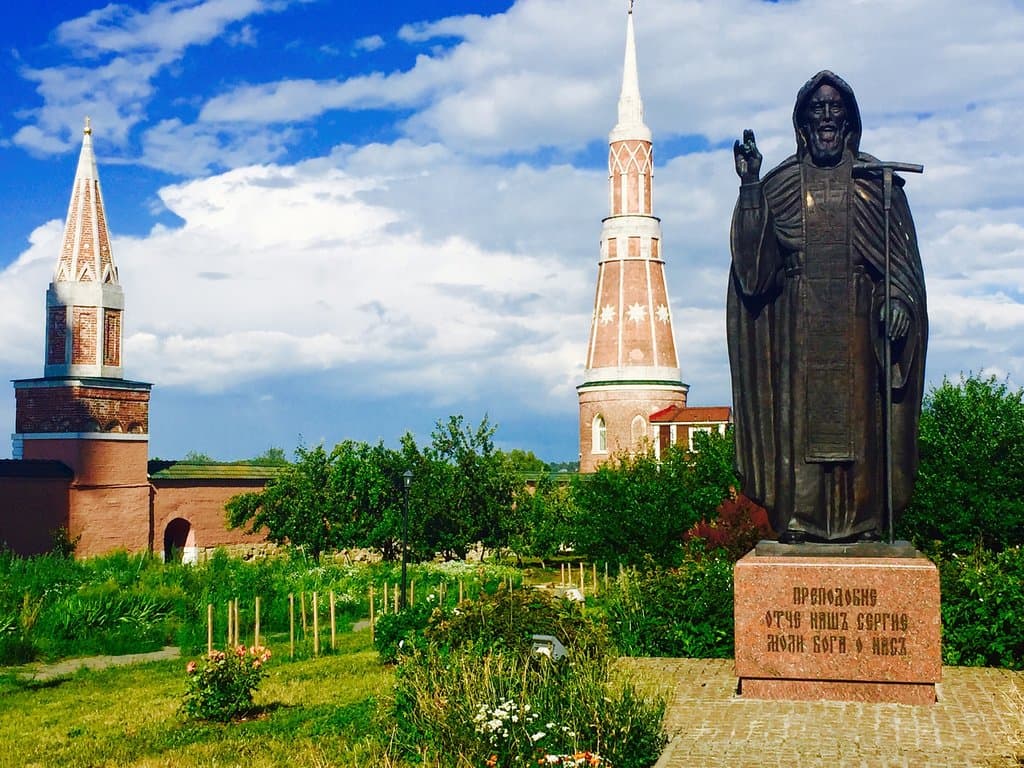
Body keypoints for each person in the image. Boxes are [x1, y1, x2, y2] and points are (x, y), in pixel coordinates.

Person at [728, 70, 927, 543]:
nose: (826, 118)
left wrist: (898, 300)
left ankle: (864, 521)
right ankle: (801, 519)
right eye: (816, 110)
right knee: (799, 424)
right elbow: (754, 277)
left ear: (850, 121)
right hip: (797, 332)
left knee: (860, 420)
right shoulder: (779, 186)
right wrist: (751, 185)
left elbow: (903, 264)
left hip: (859, 330)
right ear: (802, 125)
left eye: (835, 108)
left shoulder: (876, 185)